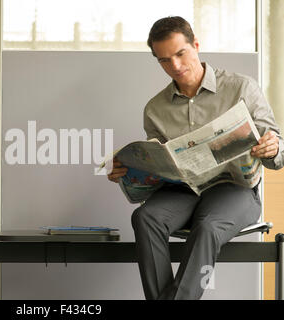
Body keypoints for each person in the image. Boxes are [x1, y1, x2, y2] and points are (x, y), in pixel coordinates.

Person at [107, 16, 283, 300]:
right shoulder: (154, 109)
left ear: (196, 45)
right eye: (164, 60)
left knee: (208, 226)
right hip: (181, 192)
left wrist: (273, 148)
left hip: (235, 190)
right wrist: (128, 173)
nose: (175, 66)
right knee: (145, 217)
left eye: (180, 53)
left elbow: (277, 148)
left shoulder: (242, 88)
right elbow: (158, 168)